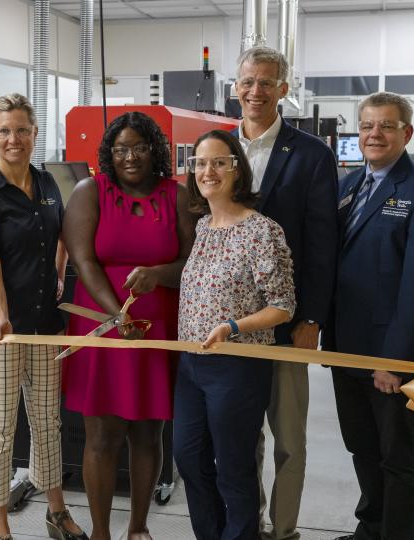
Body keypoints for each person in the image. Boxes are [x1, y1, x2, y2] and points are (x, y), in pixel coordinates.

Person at [321, 92, 414, 540]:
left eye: (386, 126)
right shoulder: (347, 186)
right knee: (362, 447)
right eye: (366, 126)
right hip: (348, 350)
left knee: (397, 454)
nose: (374, 134)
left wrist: (393, 361)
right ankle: (370, 529)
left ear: (407, 133)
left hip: (390, 358)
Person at [62, 111, 195, 540]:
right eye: (120, 149)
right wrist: (117, 314)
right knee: (102, 433)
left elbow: (193, 262)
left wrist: (158, 275)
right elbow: (82, 260)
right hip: (105, 323)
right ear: (109, 154)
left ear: (154, 149)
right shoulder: (90, 192)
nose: (130, 156)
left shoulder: (176, 196)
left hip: (157, 325)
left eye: (138, 147)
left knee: (148, 429)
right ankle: (101, 532)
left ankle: (137, 527)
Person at [0, 93, 88, 540]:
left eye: (22, 130)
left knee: (47, 421)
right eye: (4, 131)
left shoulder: (48, 183)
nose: (13, 139)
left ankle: (56, 511)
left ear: (35, 134)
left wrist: (57, 277)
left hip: (45, 322)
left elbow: (61, 237)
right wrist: (1, 318)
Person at [231, 46, 338, 540]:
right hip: (228, 323)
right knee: (239, 438)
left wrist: (311, 318)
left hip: (286, 319)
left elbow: (322, 243)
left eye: (267, 83)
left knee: (289, 439)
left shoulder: (312, 154)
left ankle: (285, 529)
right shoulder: (216, 150)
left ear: (284, 90)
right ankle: (247, 524)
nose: (256, 92)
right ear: (236, 87)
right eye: (249, 82)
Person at [174, 129, 296, 540]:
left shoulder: (262, 231)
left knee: (233, 467)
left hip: (238, 365)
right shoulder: (204, 226)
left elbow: (282, 306)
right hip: (191, 364)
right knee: (188, 457)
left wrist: (232, 327)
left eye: (219, 162)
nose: (208, 171)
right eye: (200, 163)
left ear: (236, 170)